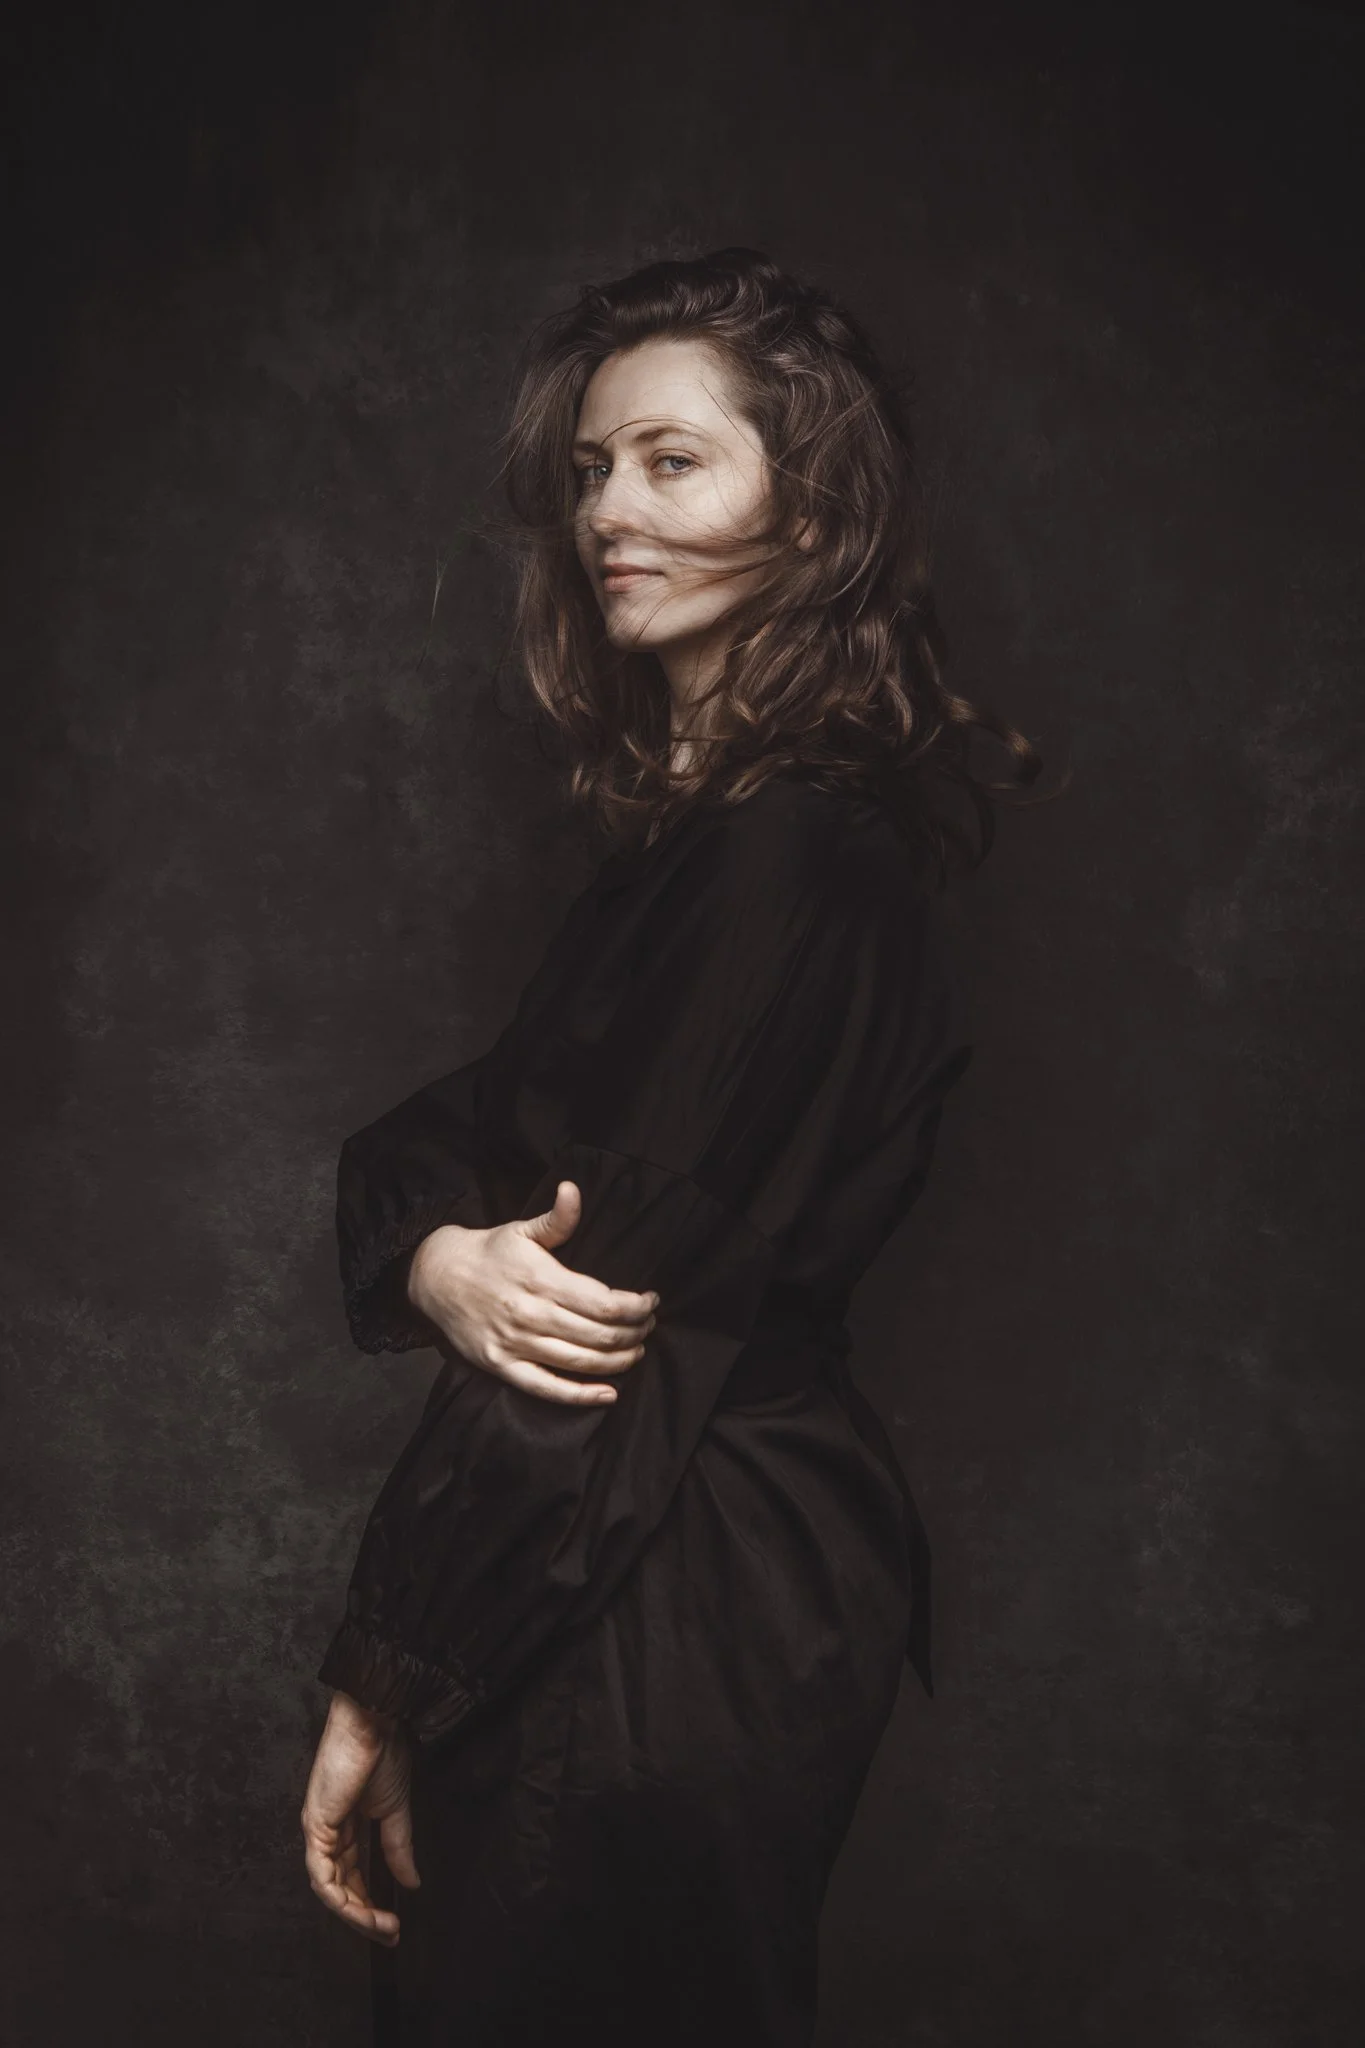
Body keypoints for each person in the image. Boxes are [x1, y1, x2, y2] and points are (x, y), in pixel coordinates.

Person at [300, 246, 1042, 2045]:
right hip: (626, 1556)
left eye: (671, 461)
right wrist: (436, 1255)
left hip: (665, 1576)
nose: (605, 514)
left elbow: (604, 1333)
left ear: (816, 515)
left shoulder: (793, 862)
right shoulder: (706, 855)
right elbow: (446, 1137)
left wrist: (388, 1675)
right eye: (590, 471)